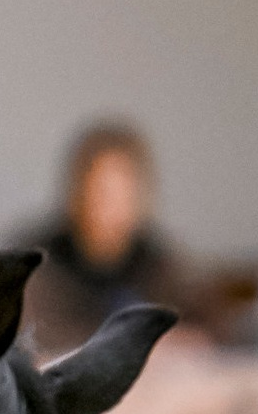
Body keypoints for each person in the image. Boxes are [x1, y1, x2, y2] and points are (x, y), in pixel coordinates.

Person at [20, 123, 199, 357]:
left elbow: (200, 326)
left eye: (122, 194)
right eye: (101, 191)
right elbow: (34, 339)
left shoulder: (160, 266)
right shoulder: (35, 266)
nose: (109, 208)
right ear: (77, 192)